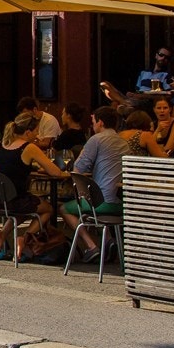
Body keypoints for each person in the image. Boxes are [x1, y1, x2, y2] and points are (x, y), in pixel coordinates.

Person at [0, 113, 68, 259]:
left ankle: (2, 234)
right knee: (47, 209)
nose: (38, 135)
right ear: (28, 132)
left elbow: (9, 167)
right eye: (36, 131)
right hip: (16, 199)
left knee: (23, 209)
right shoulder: (28, 147)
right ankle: (25, 238)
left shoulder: (2, 144)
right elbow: (55, 172)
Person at [60, 106, 132, 263]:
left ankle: (91, 246)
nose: (92, 126)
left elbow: (78, 168)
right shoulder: (124, 143)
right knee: (96, 207)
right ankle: (108, 240)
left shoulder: (96, 139)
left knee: (64, 208)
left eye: (93, 122)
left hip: (100, 202)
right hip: (121, 203)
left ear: (100, 122)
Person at [137, 46, 174, 114]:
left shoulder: (166, 75)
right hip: (139, 97)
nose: (163, 58)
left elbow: (167, 95)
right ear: (156, 55)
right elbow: (137, 89)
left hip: (151, 100)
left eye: (166, 57)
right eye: (161, 55)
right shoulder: (143, 72)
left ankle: (126, 104)